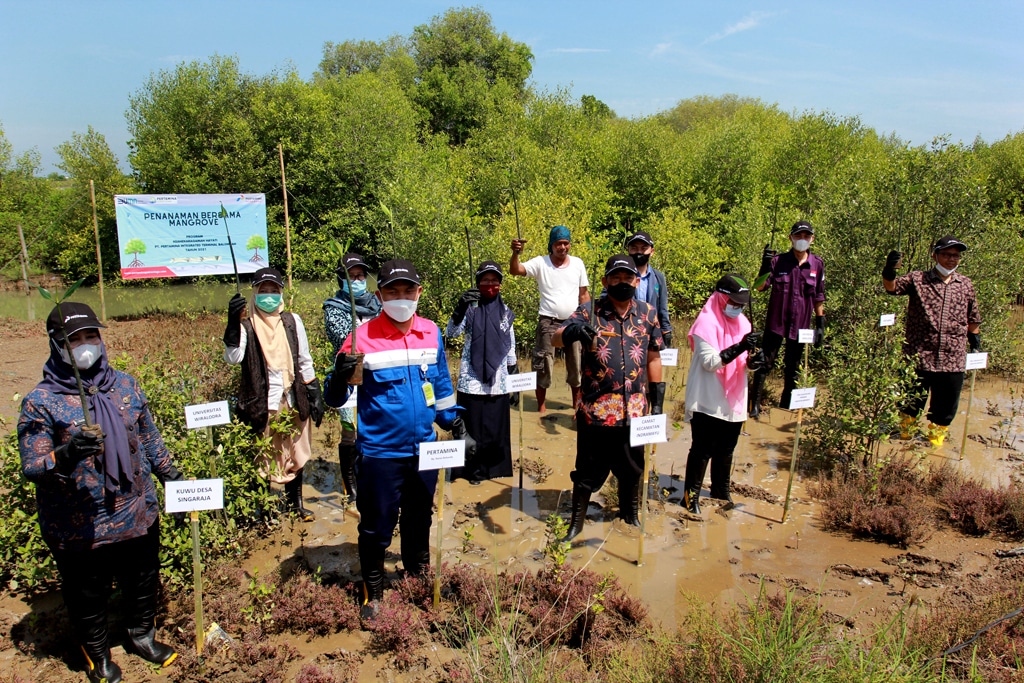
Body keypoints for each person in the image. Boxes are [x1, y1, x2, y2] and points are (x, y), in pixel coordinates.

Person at [18, 302, 181, 683]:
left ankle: (142, 636)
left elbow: (148, 437)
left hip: (137, 511)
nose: (86, 344)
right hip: (80, 524)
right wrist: (66, 452)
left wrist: (171, 473)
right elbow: (33, 466)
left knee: (142, 579)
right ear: (57, 344)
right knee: (87, 593)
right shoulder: (40, 402)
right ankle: (97, 655)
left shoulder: (125, 385)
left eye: (92, 335)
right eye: (76, 338)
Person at [324, 259, 475, 621]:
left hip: (424, 447)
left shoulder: (431, 332)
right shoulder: (361, 337)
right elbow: (334, 398)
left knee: (419, 519)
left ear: (419, 293)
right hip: (379, 452)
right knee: (376, 525)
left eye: (408, 290)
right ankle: (373, 593)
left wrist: (456, 423)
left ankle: (416, 578)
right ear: (380, 295)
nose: (401, 298)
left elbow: (439, 386)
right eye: (393, 291)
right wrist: (339, 377)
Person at [554, 254, 664, 542]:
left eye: (628, 278)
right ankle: (576, 524)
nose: (622, 282)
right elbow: (555, 336)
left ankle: (630, 515)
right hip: (597, 411)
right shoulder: (590, 310)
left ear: (636, 281)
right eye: (615, 277)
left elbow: (653, 356)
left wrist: (659, 400)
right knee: (587, 471)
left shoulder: (648, 313)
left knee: (633, 468)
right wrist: (572, 331)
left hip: (635, 411)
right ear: (605, 281)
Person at [224, 267, 324, 521]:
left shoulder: (292, 321)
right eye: (263, 291)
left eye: (273, 290)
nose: (268, 295)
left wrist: (315, 393)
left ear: (281, 292)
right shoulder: (247, 326)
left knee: (296, 450)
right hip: (262, 402)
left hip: (292, 398)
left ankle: (295, 504)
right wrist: (232, 323)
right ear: (255, 293)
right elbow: (233, 358)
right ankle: (261, 510)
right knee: (262, 455)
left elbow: (304, 360)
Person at [883, 236, 981, 447]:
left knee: (945, 407)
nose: (951, 259)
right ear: (934, 255)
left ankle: (934, 443)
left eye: (956, 256)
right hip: (919, 355)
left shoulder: (965, 284)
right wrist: (889, 269)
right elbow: (891, 288)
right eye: (946, 254)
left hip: (952, 357)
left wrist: (976, 345)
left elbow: (973, 318)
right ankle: (904, 440)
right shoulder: (917, 279)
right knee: (910, 401)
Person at [681, 275, 763, 515]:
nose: (736, 308)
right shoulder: (705, 324)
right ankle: (689, 498)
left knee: (727, 448)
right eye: (733, 303)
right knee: (702, 448)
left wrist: (755, 361)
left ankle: (721, 491)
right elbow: (710, 362)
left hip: (734, 396)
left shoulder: (744, 324)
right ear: (721, 297)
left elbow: (745, 364)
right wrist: (740, 347)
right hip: (708, 396)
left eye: (741, 305)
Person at [446, 260, 517, 484]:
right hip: (471, 381)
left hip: (499, 382)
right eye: (485, 280)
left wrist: (513, 375)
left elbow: (510, 344)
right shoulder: (470, 309)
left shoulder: (506, 312)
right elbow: (451, 334)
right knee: (471, 430)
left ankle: (493, 471)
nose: (490, 285)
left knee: (495, 430)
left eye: (494, 281)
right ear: (478, 283)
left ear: (500, 284)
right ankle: (471, 473)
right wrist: (459, 309)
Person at [509, 225, 591, 413]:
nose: (562, 247)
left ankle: (576, 409)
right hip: (548, 322)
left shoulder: (578, 263)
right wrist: (515, 253)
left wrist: (588, 320)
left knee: (576, 366)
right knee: (543, 366)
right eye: (558, 244)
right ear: (551, 245)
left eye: (566, 243)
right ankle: (541, 409)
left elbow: (584, 294)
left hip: (574, 322)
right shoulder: (541, 263)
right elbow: (516, 270)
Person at [749, 220, 826, 416]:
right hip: (776, 323)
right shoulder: (778, 261)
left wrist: (820, 324)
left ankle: (786, 406)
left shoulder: (817, 264)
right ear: (790, 238)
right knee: (765, 362)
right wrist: (765, 264)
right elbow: (759, 287)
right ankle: (754, 406)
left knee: (793, 367)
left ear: (812, 239)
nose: (802, 240)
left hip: (801, 326)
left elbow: (819, 296)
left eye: (806, 236)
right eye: (798, 236)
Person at [324, 252, 382, 504]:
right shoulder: (333, 307)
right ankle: (351, 487)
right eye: (351, 276)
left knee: (376, 427)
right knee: (349, 433)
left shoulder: (377, 304)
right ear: (341, 280)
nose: (357, 280)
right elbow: (343, 338)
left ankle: (371, 477)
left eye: (360, 276)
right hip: (348, 378)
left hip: (377, 377)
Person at [625, 230, 673, 348]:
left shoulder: (658, 277)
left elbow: (663, 307)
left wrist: (666, 331)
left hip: (652, 331)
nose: (639, 252)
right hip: (627, 330)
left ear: (651, 251)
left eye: (643, 248)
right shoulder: (621, 276)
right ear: (629, 251)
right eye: (634, 248)